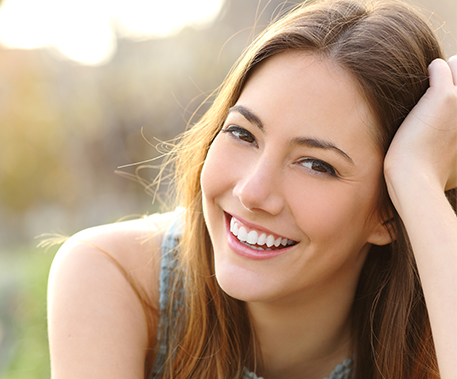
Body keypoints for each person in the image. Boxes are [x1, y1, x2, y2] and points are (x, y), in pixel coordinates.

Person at [46, 0, 457, 378]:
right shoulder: (116, 278)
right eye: (243, 134)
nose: (252, 191)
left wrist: (419, 182)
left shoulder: (437, 322)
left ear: (389, 213)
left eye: (316, 165)